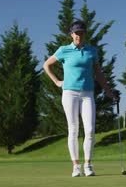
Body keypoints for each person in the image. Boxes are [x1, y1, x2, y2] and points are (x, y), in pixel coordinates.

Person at [43, 20, 117, 177]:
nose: (79, 36)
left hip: (87, 94)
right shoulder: (64, 50)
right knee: (73, 129)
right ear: (71, 34)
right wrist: (57, 82)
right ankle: (76, 166)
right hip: (69, 93)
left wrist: (109, 92)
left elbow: (99, 74)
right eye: (76, 33)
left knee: (90, 129)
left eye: (82, 33)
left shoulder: (92, 51)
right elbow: (46, 65)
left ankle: (88, 165)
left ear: (85, 34)